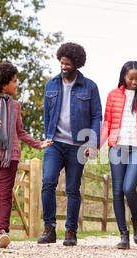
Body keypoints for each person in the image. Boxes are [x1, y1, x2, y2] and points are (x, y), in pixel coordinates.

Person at [0, 62, 53, 249]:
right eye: (14, 81)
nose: (17, 84)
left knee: (5, 195)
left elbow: (20, 131)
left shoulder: (16, 106)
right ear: (4, 84)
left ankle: (3, 231)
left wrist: (38, 143)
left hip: (10, 157)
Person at [38, 42, 102, 246]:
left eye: (67, 64)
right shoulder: (51, 84)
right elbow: (47, 115)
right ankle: (49, 229)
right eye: (61, 63)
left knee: (73, 189)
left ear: (77, 63)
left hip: (77, 145)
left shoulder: (90, 87)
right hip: (55, 143)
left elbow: (96, 117)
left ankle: (70, 231)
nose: (63, 67)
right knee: (48, 182)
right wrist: (47, 137)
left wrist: (92, 144)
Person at [100, 61, 137, 249]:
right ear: (124, 77)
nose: (134, 81)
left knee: (128, 187)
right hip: (117, 147)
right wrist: (95, 146)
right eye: (131, 78)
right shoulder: (113, 95)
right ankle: (123, 235)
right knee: (117, 191)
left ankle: (136, 220)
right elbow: (107, 123)